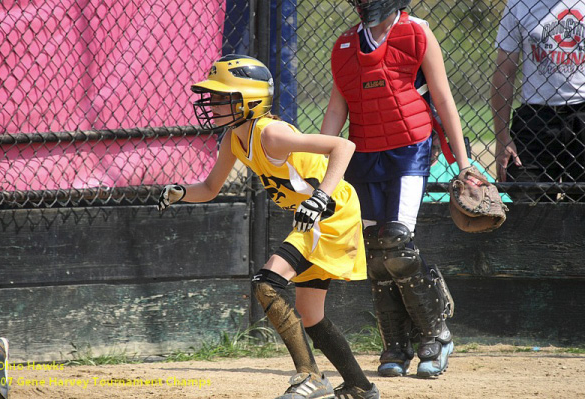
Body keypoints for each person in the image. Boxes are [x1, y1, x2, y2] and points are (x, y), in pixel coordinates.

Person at [158, 54, 379, 399]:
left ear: (249, 100)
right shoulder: (234, 138)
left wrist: (319, 198)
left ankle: (310, 376)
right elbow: (211, 187)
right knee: (311, 315)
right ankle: (360, 386)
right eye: (212, 97)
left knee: (266, 283)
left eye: (221, 98)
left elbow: (343, 146)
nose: (212, 104)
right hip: (316, 215)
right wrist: (180, 193)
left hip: (332, 213)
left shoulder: (271, 134)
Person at [320, 0, 471, 378]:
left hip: (409, 148)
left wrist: (465, 164)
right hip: (364, 155)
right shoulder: (344, 45)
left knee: (397, 242)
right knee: (375, 253)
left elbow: (442, 97)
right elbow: (337, 109)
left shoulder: (416, 31)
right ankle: (395, 346)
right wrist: (319, 166)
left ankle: (436, 336)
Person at [491, 0, 585, 201]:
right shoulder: (519, 4)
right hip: (537, 117)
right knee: (526, 201)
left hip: (582, 110)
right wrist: (502, 137)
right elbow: (504, 70)